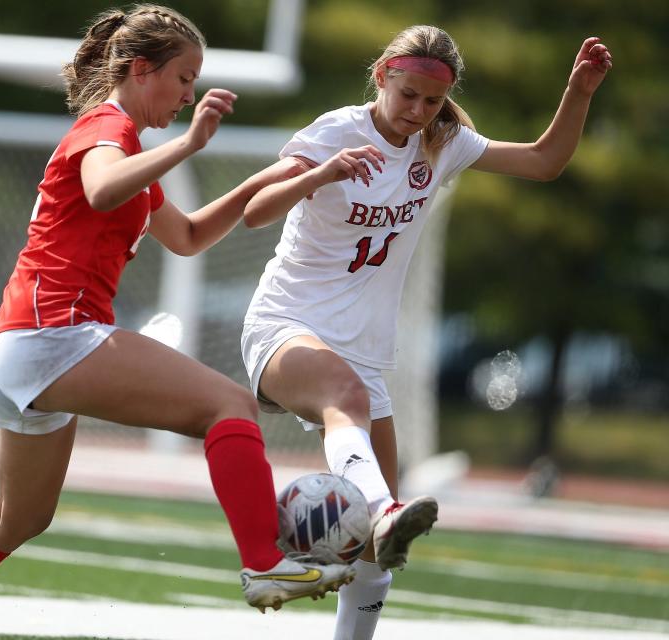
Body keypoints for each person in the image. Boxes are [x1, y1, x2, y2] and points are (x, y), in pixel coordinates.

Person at [0, 5, 354, 639]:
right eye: (183, 78)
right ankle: (265, 563)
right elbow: (100, 190)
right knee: (230, 404)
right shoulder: (107, 127)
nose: (189, 94)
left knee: (18, 519)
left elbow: (188, 235)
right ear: (142, 70)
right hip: (51, 335)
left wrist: (281, 177)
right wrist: (188, 144)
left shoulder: (124, 146)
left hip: (18, 344)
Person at [240, 26, 611, 640]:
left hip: (362, 353)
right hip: (287, 324)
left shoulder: (442, 145)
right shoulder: (336, 132)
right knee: (354, 422)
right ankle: (379, 510)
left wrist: (579, 90)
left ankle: (335, 565)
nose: (417, 112)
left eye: (431, 102)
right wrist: (322, 173)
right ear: (383, 74)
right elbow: (255, 212)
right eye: (407, 95)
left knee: (374, 563)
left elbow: (545, 161)